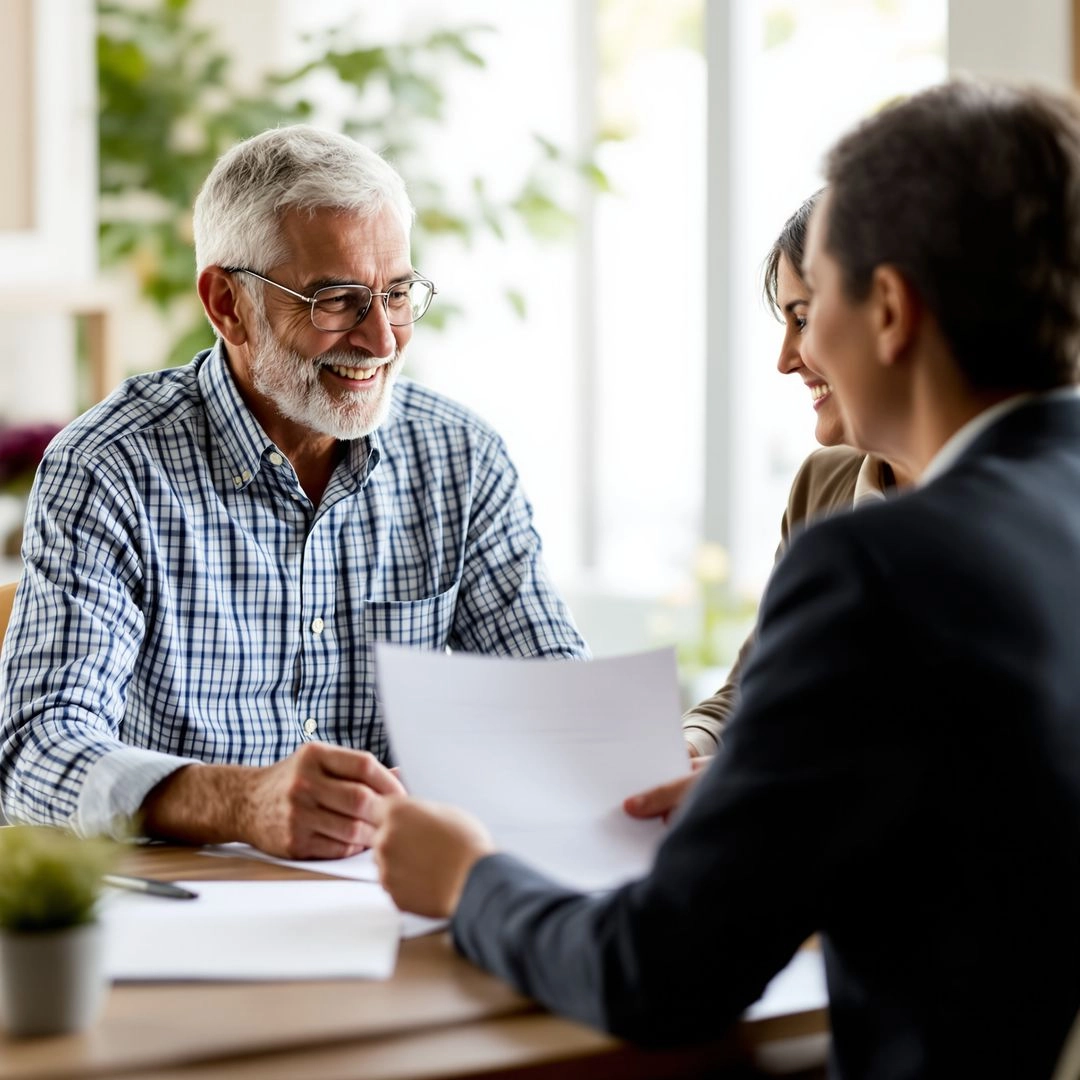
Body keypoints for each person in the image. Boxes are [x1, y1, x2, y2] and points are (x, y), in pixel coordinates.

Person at [370, 78, 1080, 1079]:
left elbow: (659, 974)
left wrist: (469, 879)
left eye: (815, 299)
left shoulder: (882, 565)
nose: (799, 350)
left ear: (888, 310)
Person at [0, 125, 588, 857]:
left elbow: (562, 711)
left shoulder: (460, 457)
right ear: (226, 304)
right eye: (337, 299)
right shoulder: (111, 468)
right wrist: (242, 803)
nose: (382, 340)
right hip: (193, 915)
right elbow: (33, 753)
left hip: (406, 900)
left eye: (398, 293)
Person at [683, 190, 914, 757]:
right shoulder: (824, 484)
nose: (786, 358)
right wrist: (683, 752)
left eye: (805, 320)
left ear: (891, 311)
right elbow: (753, 689)